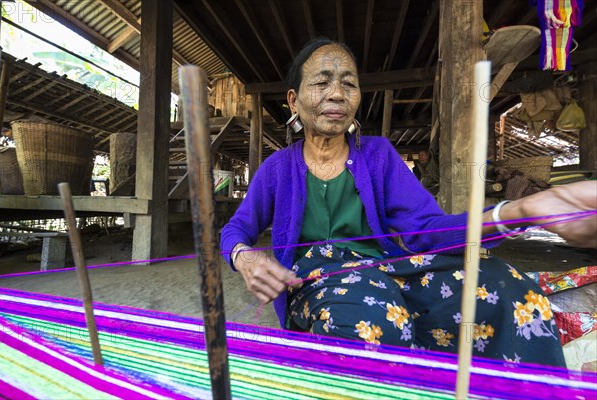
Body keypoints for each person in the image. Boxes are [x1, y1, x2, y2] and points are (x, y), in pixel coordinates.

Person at [221, 38, 596, 367]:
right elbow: (236, 229)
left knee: (507, 288)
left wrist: (519, 211)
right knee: (376, 324)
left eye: (348, 84)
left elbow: (427, 231)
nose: (337, 94)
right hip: (316, 281)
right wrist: (244, 255)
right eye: (321, 82)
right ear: (294, 100)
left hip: (386, 272)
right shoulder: (276, 169)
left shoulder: (379, 156)